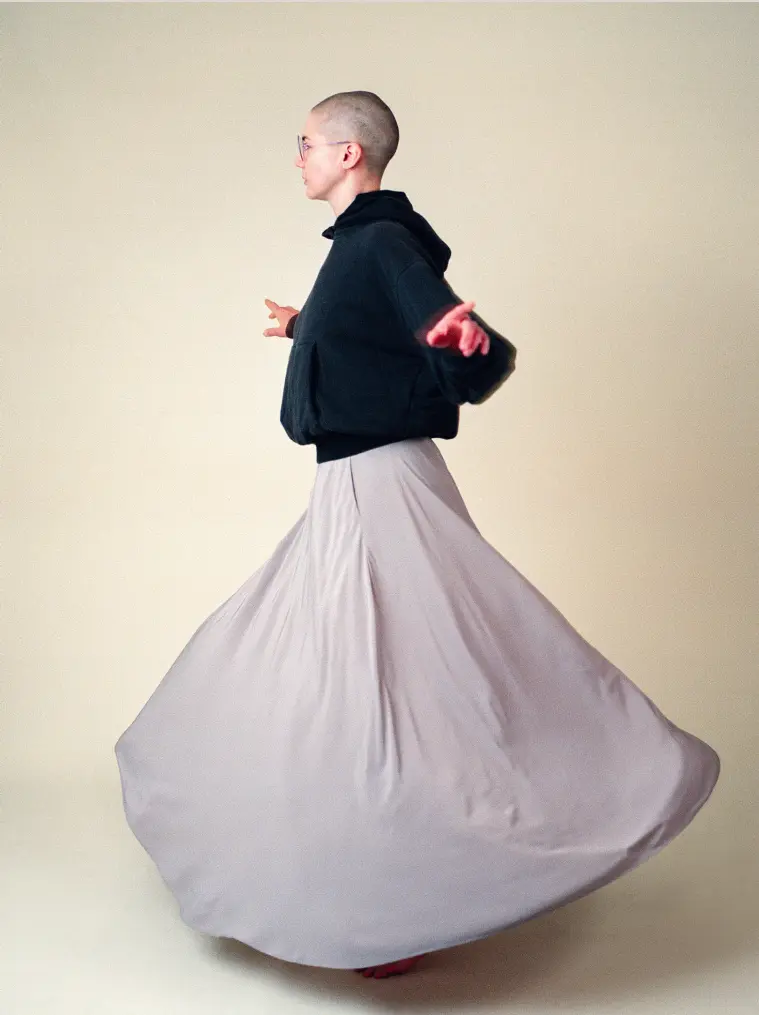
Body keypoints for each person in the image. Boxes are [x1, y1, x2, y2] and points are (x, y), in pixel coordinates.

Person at [115, 91, 720, 981]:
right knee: (354, 671)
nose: (297, 156)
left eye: (306, 143)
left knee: (390, 681)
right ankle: (377, 883)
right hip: (354, 484)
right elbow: (378, 333)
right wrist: (305, 326)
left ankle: (405, 895)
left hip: (382, 485)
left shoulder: (381, 244)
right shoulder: (359, 248)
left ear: (349, 154)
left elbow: (468, 347)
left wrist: (460, 342)